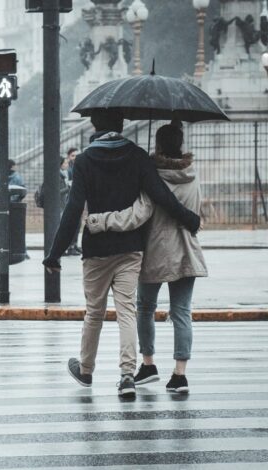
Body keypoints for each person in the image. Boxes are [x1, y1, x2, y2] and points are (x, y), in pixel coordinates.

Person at [42, 110, 201, 398]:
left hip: (96, 250)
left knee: (94, 312)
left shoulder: (85, 160)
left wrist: (54, 253)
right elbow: (161, 196)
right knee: (127, 311)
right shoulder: (138, 156)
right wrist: (188, 218)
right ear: (122, 124)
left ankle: (86, 370)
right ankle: (127, 375)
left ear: (94, 125)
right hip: (130, 248)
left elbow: (73, 209)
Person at [87, 124, 208, 394]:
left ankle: (148, 363)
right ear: (181, 143)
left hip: (155, 249)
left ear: (159, 145)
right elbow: (196, 210)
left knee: (144, 308)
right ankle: (180, 375)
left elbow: (141, 213)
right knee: (182, 313)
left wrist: (103, 221)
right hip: (187, 250)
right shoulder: (192, 174)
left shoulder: (152, 175)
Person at [66, 147, 83, 256]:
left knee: (78, 223)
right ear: (69, 156)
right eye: (73, 155)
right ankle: (71, 246)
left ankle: (74, 245)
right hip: (70, 199)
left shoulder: (78, 166)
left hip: (78, 198)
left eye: (77, 155)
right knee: (73, 223)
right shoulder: (68, 168)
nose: (75, 157)